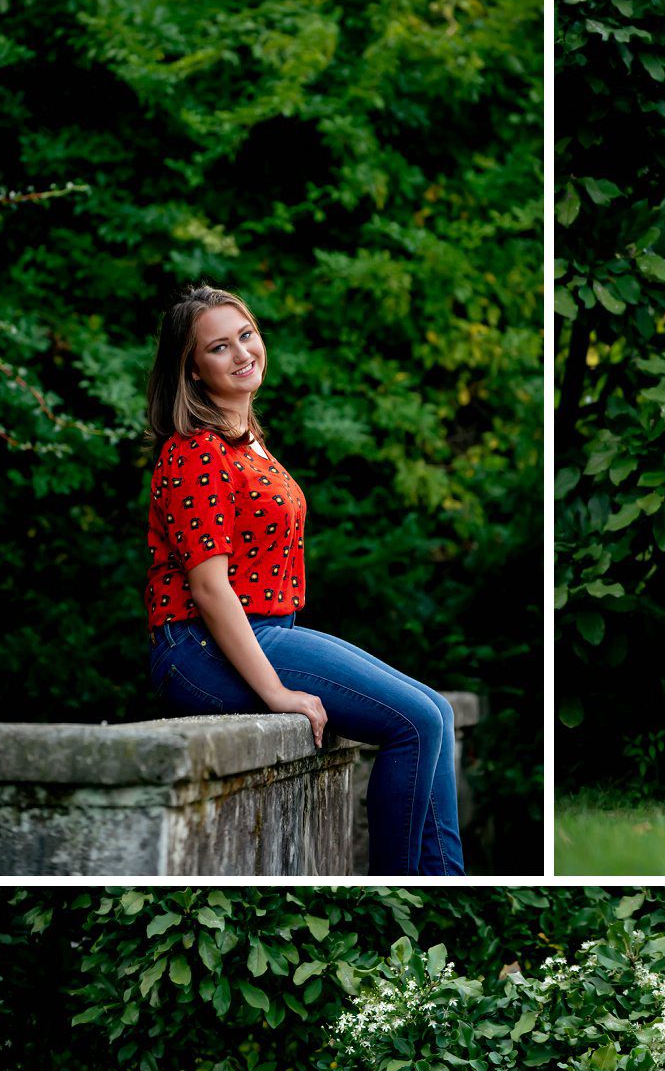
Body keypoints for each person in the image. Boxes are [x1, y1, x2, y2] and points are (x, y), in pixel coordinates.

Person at [143, 284, 464, 875]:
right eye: (219, 347)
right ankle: (405, 886)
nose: (242, 353)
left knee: (437, 712)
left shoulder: (248, 445)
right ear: (191, 368)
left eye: (246, 335)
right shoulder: (194, 453)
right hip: (201, 647)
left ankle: (446, 880)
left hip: (269, 630)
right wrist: (277, 694)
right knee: (415, 723)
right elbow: (211, 589)